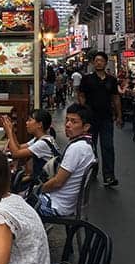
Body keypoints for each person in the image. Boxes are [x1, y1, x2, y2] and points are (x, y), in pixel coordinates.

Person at [37, 103, 95, 217]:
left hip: (56, 205)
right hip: (68, 203)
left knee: (14, 206)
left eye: (74, 122)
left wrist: (38, 190)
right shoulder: (87, 145)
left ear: (86, 127)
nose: (68, 125)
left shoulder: (77, 148)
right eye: (67, 120)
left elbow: (58, 182)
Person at [77, 52, 122, 187]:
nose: (98, 63)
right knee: (91, 146)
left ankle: (109, 176)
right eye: (96, 61)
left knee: (107, 146)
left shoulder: (111, 80)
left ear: (105, 63)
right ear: (93, 63)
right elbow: (81, 95)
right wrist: (84, 110)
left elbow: (115, 98)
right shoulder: (87, 79)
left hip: (106, 117)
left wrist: (119, 115)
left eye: (101, 61)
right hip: (90, 119)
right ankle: (92, 171)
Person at [2, 109, 57, 183]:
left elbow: (16, 154)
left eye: (30, 120)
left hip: (44, 185)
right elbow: (19, 147)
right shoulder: (39, 139)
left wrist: (8, 132)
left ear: (39, 124)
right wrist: (11, 130)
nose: (26, 123)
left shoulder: (43, 143)